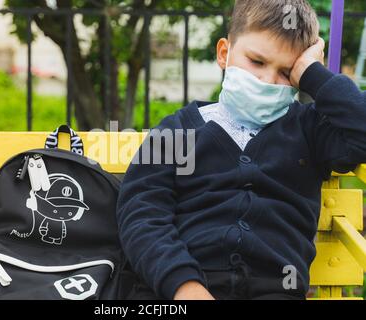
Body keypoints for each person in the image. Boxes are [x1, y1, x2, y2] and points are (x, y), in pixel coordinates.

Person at [116, 0, 366, 300]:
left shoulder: (310, 130)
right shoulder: (177, 130)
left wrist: (313, 73)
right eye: (257, 62)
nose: (267, 81)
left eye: (287, 72)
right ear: (224, 53)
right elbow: (142, 211)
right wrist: (183, 285)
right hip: (177, 290)